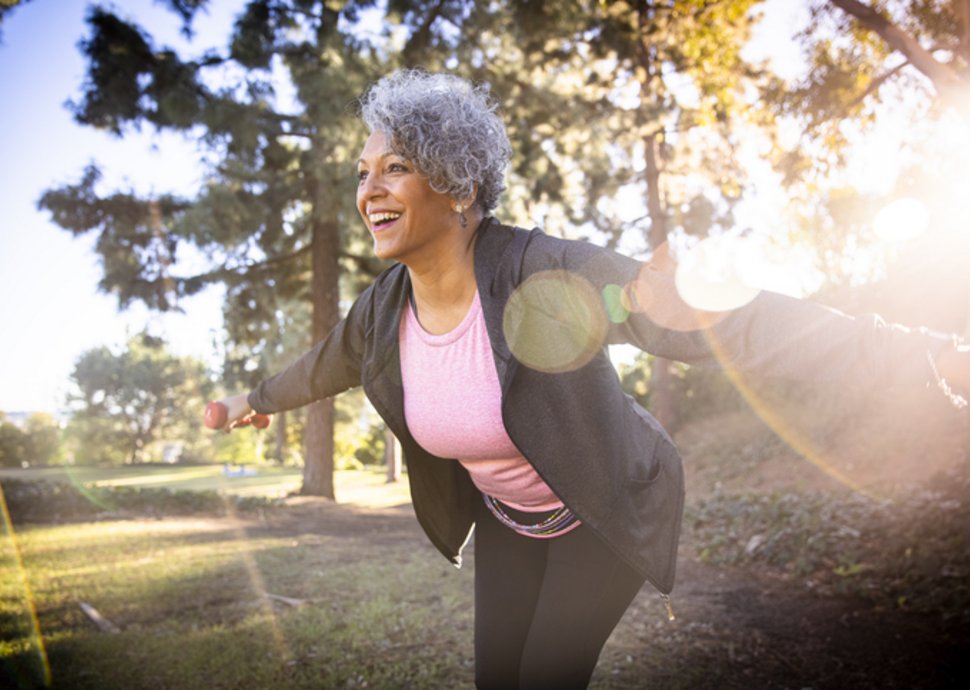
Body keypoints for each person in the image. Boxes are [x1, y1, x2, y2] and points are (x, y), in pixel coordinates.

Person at [212, 69, 970, 689]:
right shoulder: (382, 312)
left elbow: (724, 320)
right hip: (511, 519)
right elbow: (321, 367)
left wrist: (921, 351)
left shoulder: (545, 273)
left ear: (458, 187)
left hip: (605, 507)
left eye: (396, 169)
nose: (369, 190)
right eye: (363, 173)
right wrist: (253, 402)